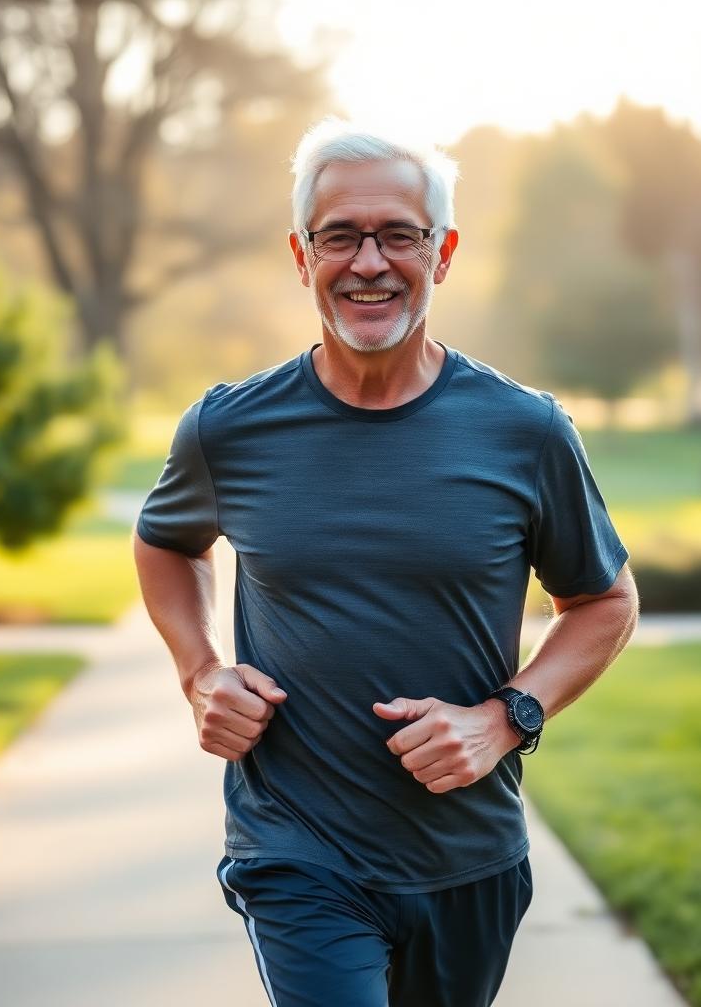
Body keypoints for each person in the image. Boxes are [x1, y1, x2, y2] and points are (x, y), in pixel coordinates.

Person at [133, 117, 639, 1007]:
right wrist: (200, 672)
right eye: (340, 236)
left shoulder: (525, 431)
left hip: (466, 855)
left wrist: (507, 716)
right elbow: (166, 543)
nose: (369, 261)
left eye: (397, 234)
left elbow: (604, 600)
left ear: (441, 252)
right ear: (302, 255)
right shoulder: (228, 429)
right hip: (295, 847)